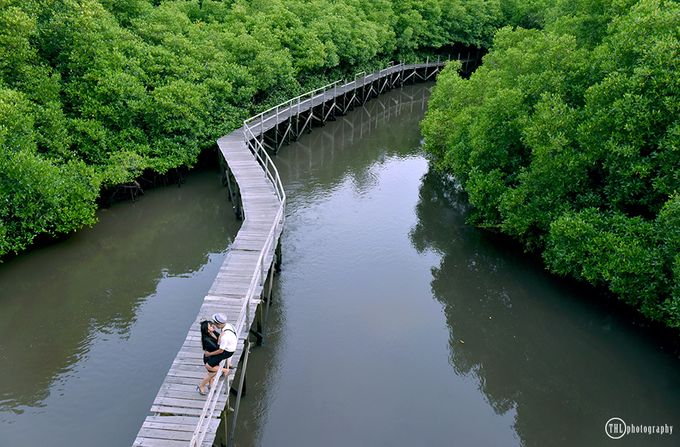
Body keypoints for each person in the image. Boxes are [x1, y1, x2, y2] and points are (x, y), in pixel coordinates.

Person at [197, 313, 238, 395]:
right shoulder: (207, 339)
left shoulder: (213, 332)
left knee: (212, 374)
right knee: (211, 373)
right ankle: (201, 386)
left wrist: (220, 338)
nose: (213, 325)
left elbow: (220, 340)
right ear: (207, 330)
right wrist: (220, 338)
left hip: (214, 355)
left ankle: (210, 385)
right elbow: (218, 348)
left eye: (212, 324)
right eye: (210, 326)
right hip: (209, 357)